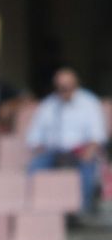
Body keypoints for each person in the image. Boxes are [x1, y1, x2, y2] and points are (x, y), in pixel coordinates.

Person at [25, 68, 106, 212]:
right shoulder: (48, 105)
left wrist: (88, 152)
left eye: (67, 87)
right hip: (53, 152)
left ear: (76, 85)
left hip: (80, 152)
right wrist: (41, 149)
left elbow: (97, 135)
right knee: (35, 166)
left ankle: (82, 211)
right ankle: (37, 210)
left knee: (88, 169)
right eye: (60, 87)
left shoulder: (89, 103)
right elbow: (34, 137)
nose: (64, 91)